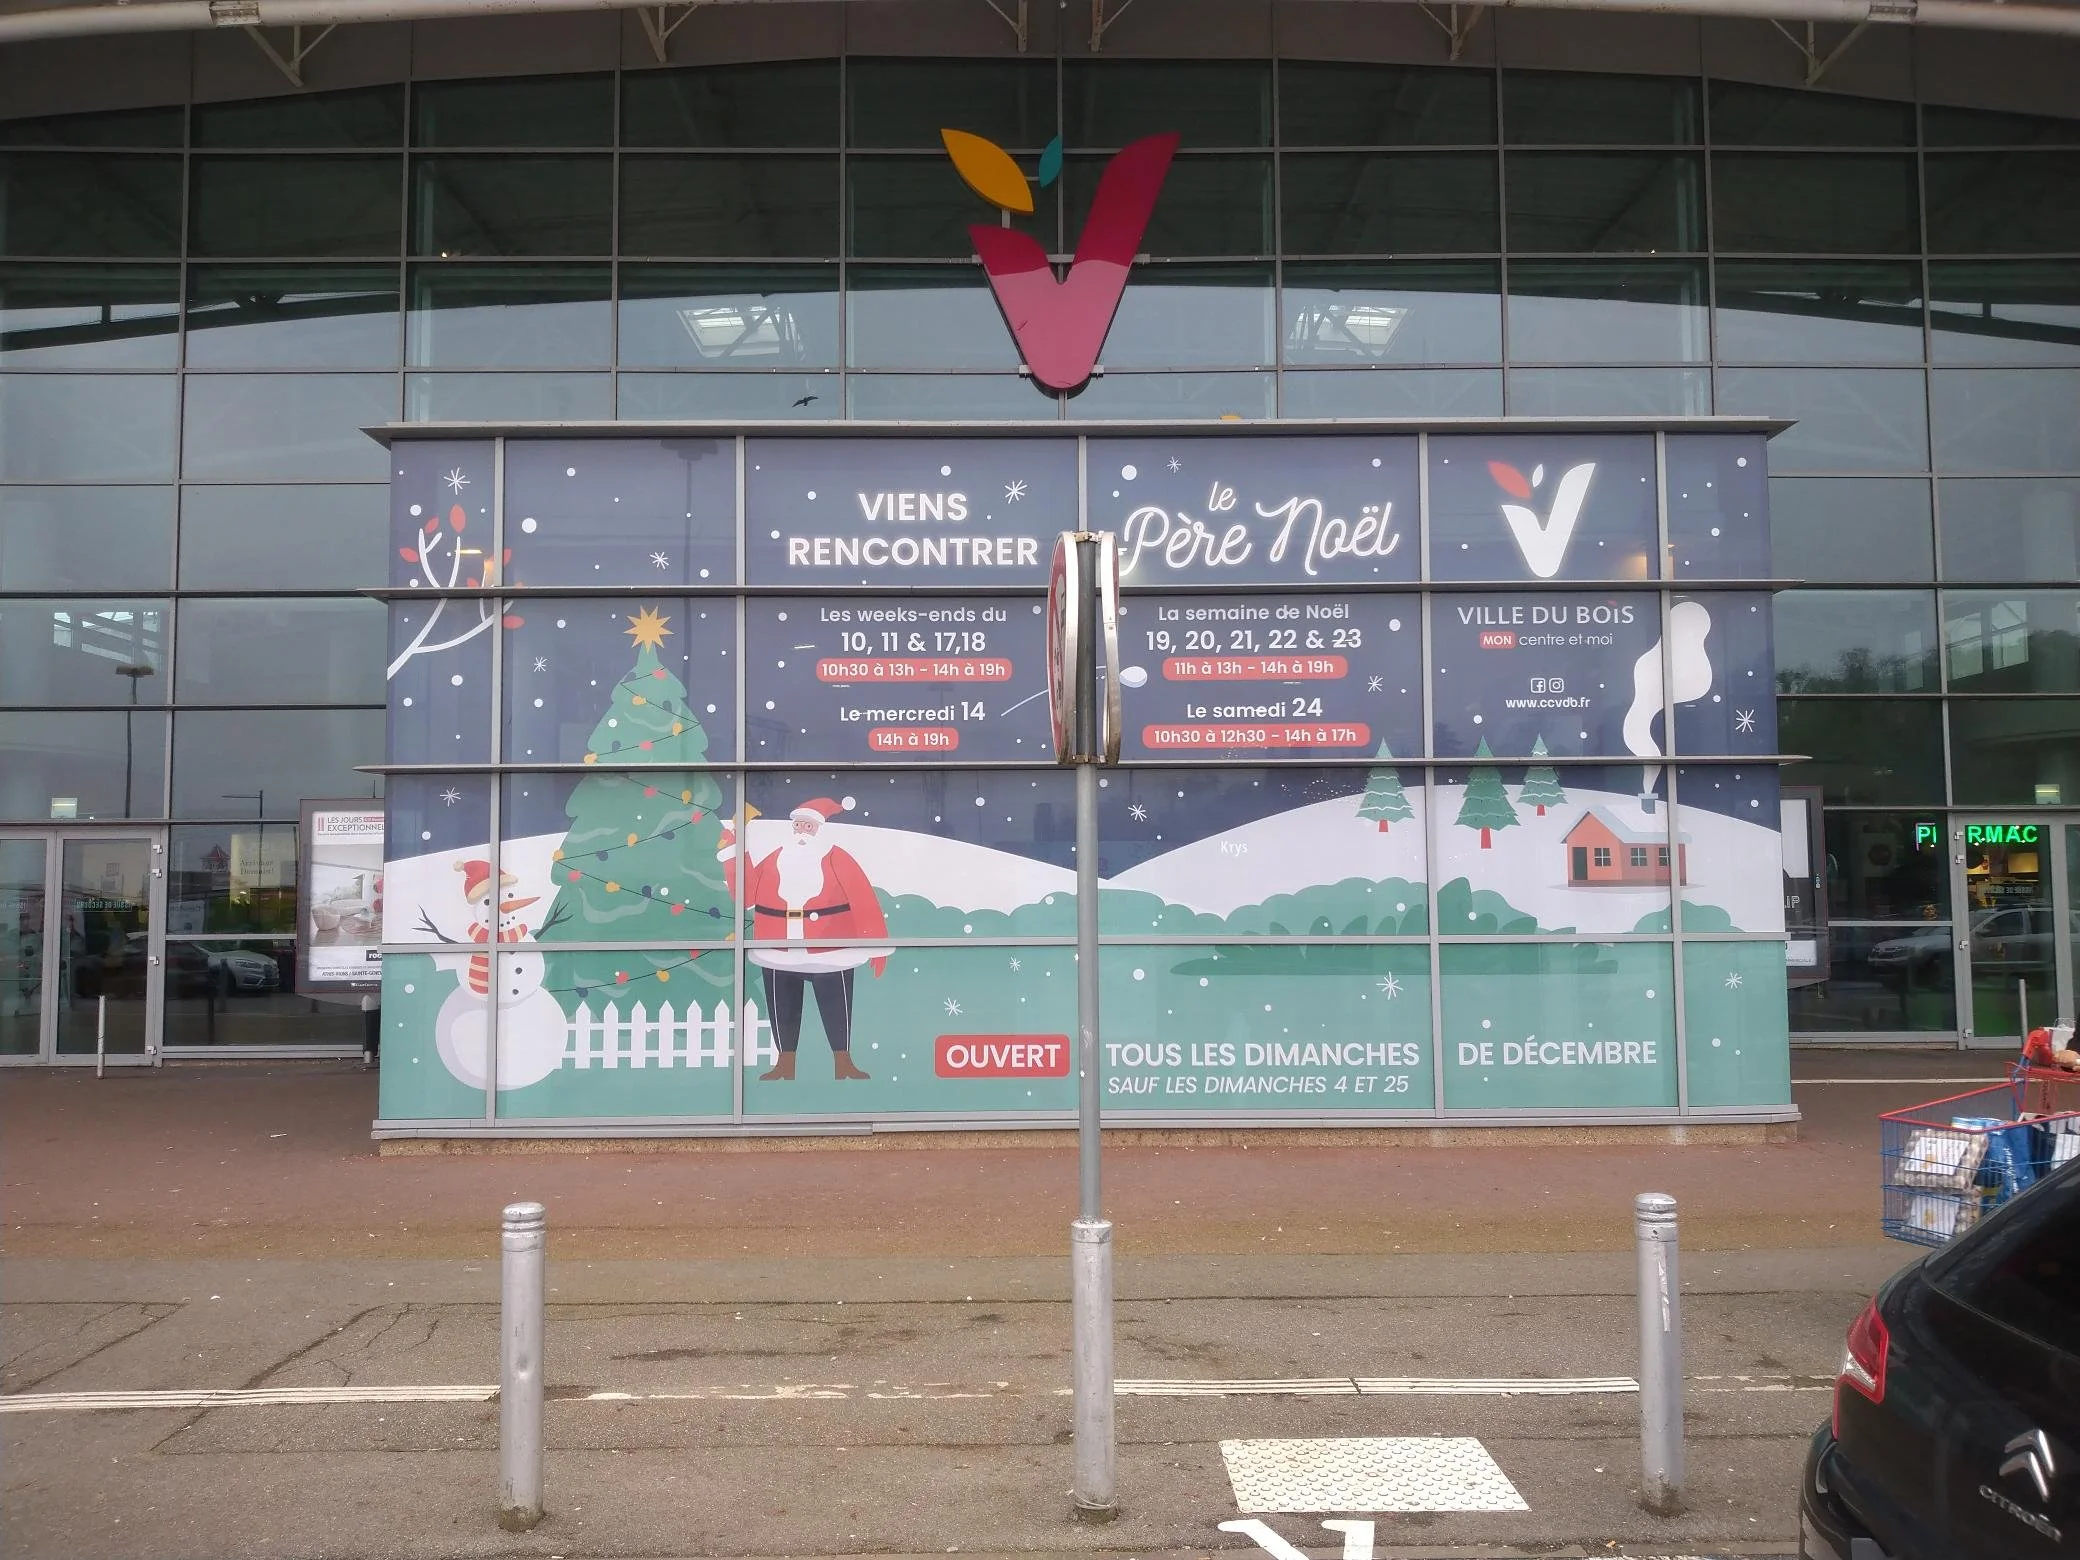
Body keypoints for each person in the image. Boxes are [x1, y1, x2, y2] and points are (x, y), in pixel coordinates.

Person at [741, 797, 888, 1081]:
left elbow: (864, 900)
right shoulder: (777, 857)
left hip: (829, 948)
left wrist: (876, 945)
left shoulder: (838, 858)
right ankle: (785, 1064)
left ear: (820, 829)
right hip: (777, 947)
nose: (801, 831)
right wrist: (737, 854)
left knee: (837, 1003)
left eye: (807, 825)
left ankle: (842, 1062)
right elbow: (746, 895)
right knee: (782, 1004)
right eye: (797, 825)